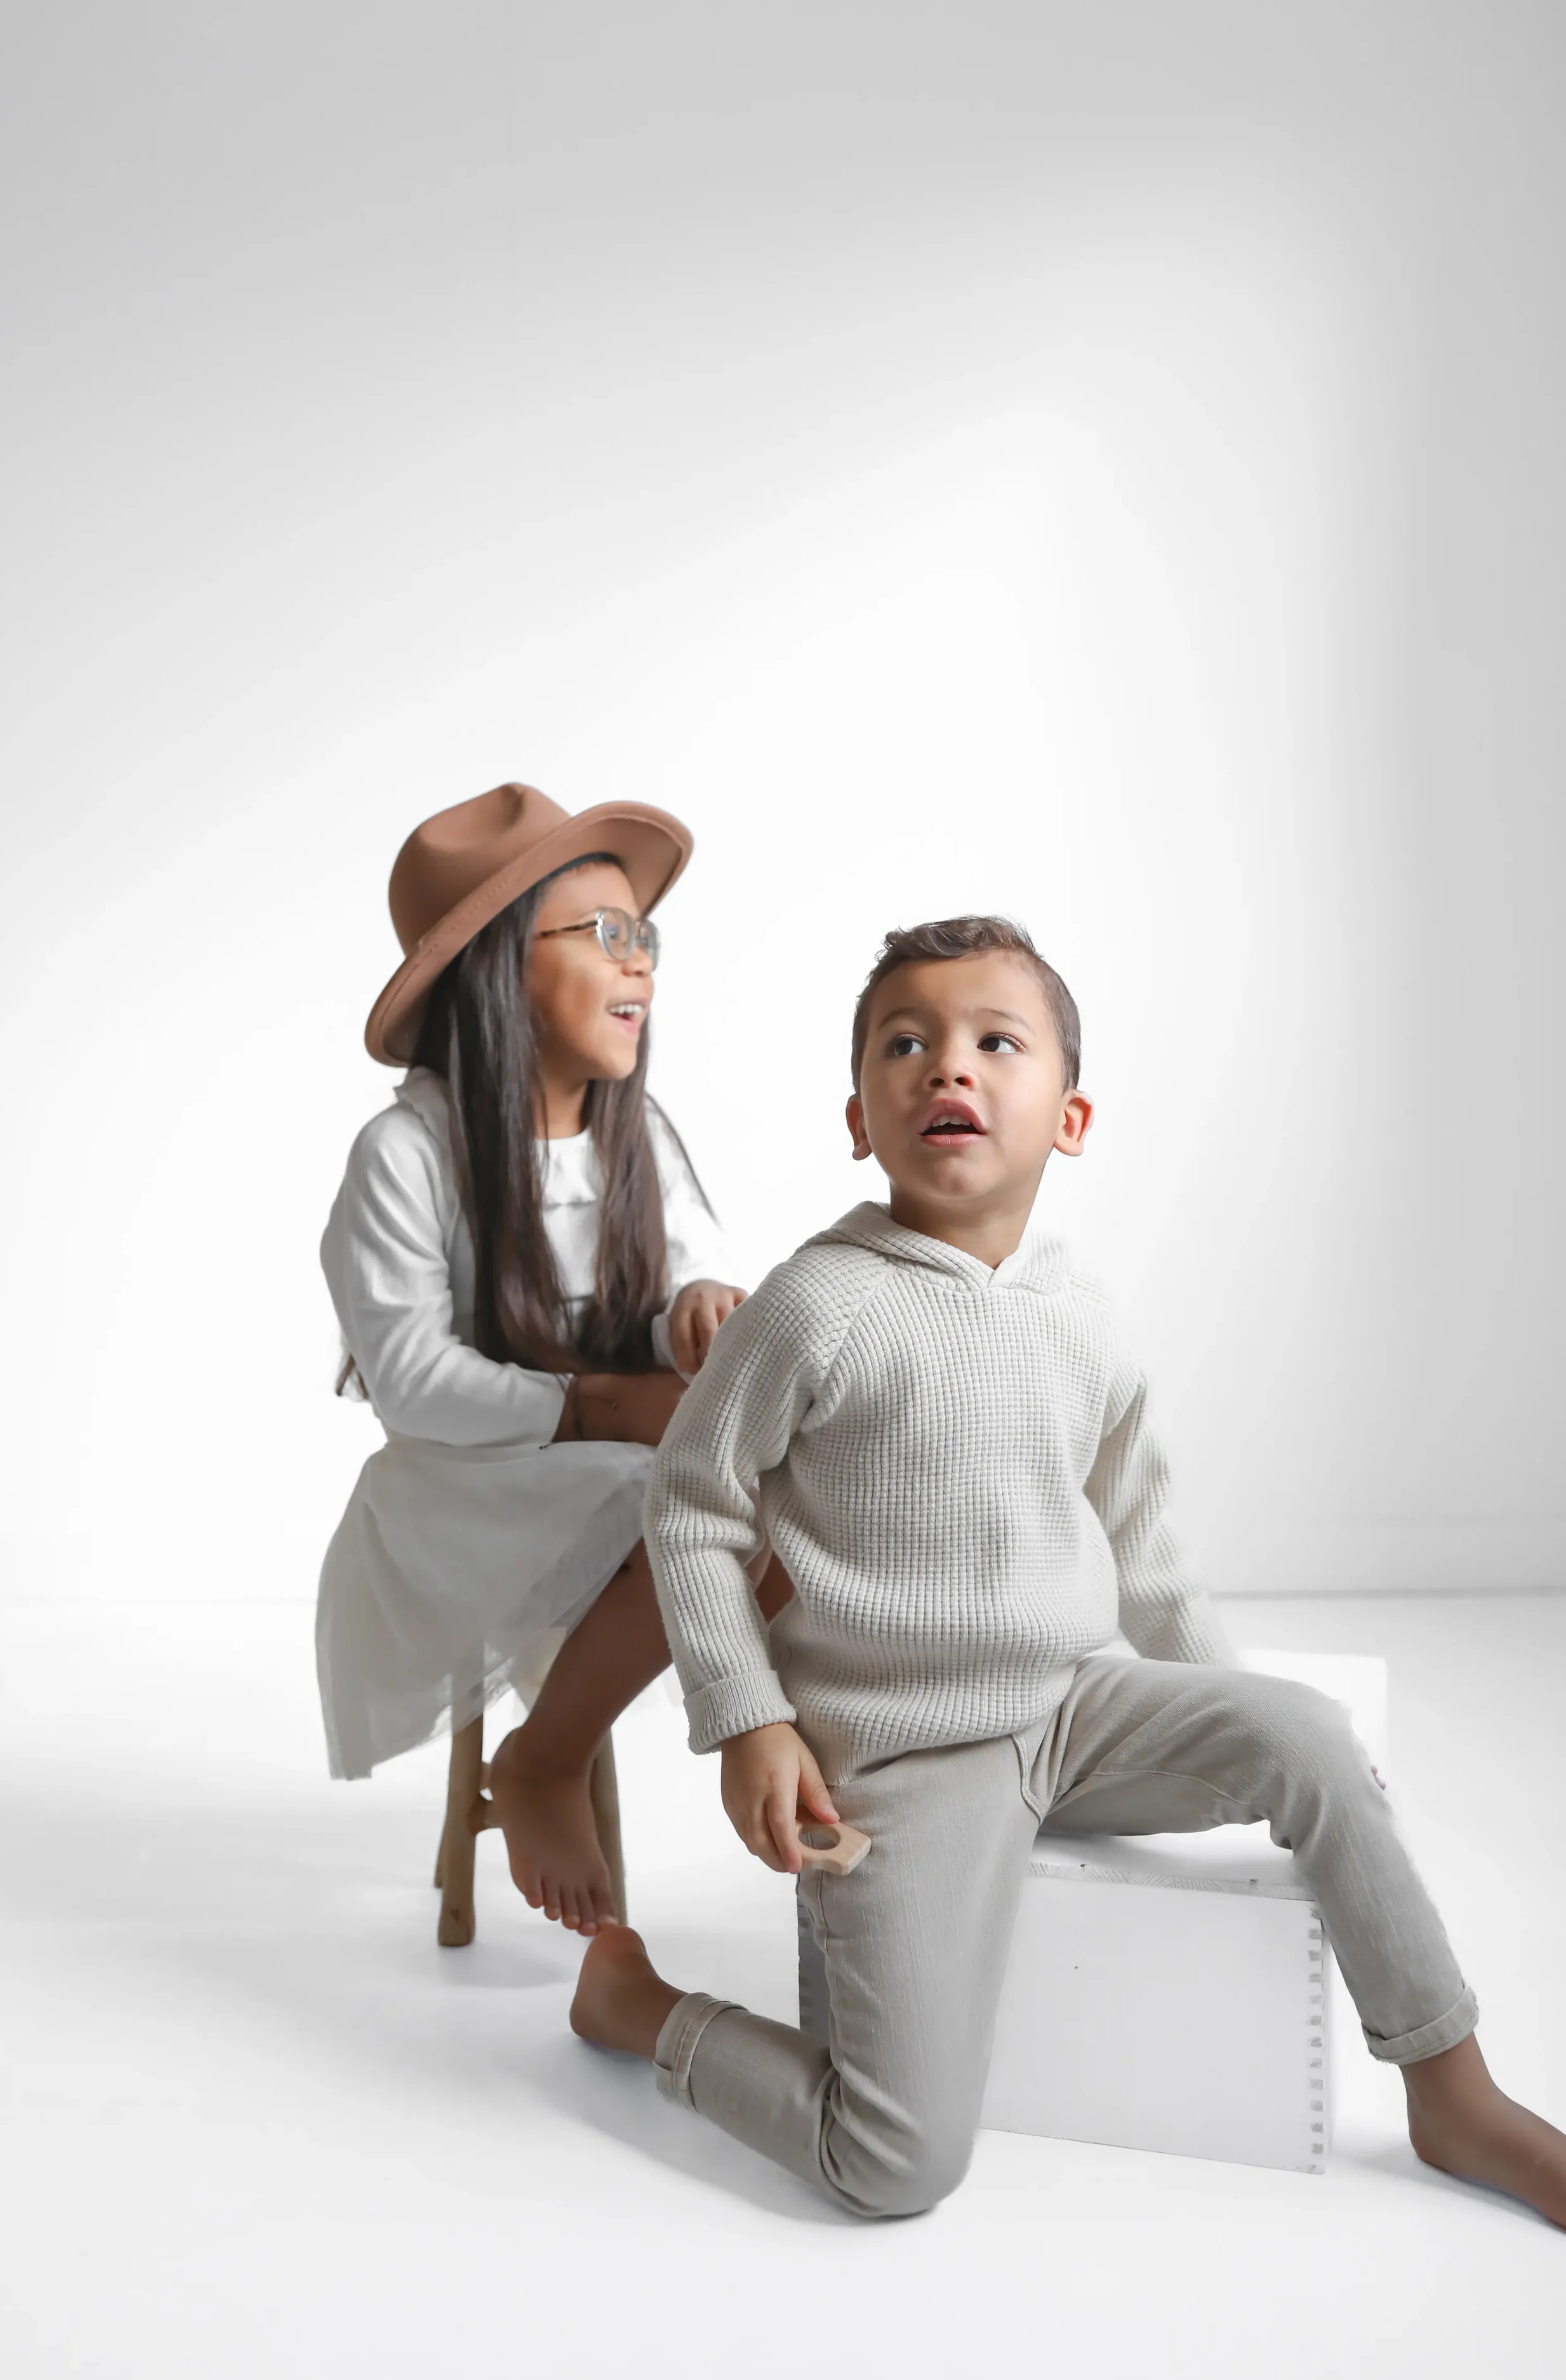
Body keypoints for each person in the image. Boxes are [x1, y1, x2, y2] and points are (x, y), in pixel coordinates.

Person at [570, 913, 1566, 2227]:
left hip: (1077, 1709)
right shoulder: (815, 1305)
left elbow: (1142, 1544)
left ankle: (1450, 2084)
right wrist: (748, 1720)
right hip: (902, 1758)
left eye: (994, 1042)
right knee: (893, 2167)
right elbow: (690, 1509)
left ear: (1070, 1117)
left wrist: (1228, 1715)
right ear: (858, 1117)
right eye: (905, 1045)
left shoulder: (1080, 1313)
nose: (947, 1069)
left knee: (1310, 1740)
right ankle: (644, 2012)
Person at [316, 779, 785, 1936]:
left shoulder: (641, 1134)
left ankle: (791, 1736)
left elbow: (689, 1270)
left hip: (603, 1455)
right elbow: (415, 1381)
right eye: (607, 936)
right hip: (464, 1484)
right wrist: (598, 1403)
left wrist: (699, 1305)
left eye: (648, 938)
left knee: (781, 1502)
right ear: (496, 966)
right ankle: (544, 1758)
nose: (643, 968)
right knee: (672, 1502)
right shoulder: (408, 1152)